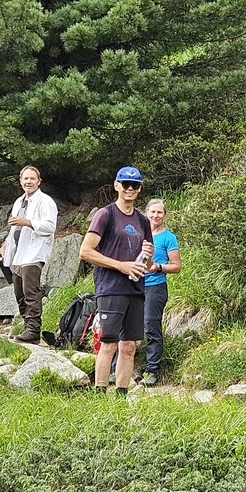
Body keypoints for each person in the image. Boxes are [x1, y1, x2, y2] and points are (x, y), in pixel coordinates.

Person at [79, 166, 154, 395]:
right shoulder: (106, 214)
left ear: (140, 189)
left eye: (135, 185)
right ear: (116, 186)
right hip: (111, 288)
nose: (130, 189)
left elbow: (148, 266)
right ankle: (100, 393)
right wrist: (120, 265)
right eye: (125, 184)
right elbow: (85, 251)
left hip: (135, 288)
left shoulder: (143, 221)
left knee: (130, 346)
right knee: (109, 342)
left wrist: (148, 257)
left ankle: (121, 395)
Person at [0, 165, 57, 344]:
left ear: (39, 181)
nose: (29, 182)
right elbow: (14, 229)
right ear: (20, 182)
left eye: (32, 179)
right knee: (19, 292)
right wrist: (4, 247)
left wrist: (27, 222)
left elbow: (50, 226)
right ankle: (28, 325)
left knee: (31, 291)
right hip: (17, 253)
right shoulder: (19, 202)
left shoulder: (45, 201)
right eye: (25, 179)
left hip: (35, 252)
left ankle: (34, 330)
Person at [140, 198, 181, 386]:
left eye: (160, 212)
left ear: (164, 215)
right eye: (153, 212)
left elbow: (176, 266)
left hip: (155, 286)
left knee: (151, 326)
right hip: (133, 285)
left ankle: (152, 369)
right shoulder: (138, 233)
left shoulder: (168, 237)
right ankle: (118, 368)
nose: (156, 215)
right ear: (146, 213)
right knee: (126, 326)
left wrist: (158, 267)